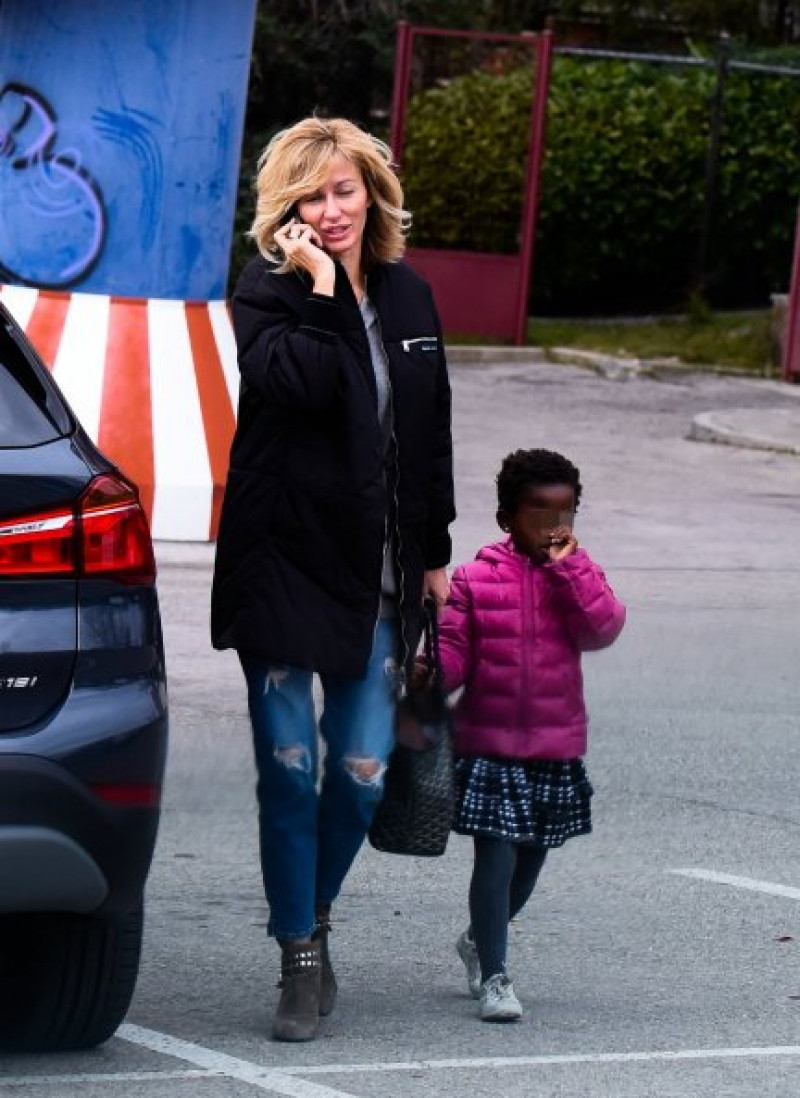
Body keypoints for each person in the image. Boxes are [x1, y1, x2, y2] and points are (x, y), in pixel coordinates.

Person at [210, 117, 455, 1042]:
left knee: (357, 772)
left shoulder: (411, 296)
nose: (331, 208)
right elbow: (299, 387)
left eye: (343, 189)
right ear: (289, 209)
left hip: (381, 574)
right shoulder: (266, 293)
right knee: (289, 771)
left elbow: (430, 433)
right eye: (311, 195)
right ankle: (300, 955)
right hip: (282, 567)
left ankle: (309, 913)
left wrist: (434, 553)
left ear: (371, 193)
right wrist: (318, 288)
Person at [436, 448, 625, 1023]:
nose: (554, 525)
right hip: (490, 745)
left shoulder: (579, 574)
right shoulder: (473, 578)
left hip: (554, 744)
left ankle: (476, 938)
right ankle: (495, 973)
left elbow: (603, 629)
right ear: (506, 516)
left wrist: (569, 570)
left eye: (565, 512)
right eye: (540, 512)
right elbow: (454, 655)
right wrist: (427, 672)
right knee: (494, 859)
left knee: (530, 863)